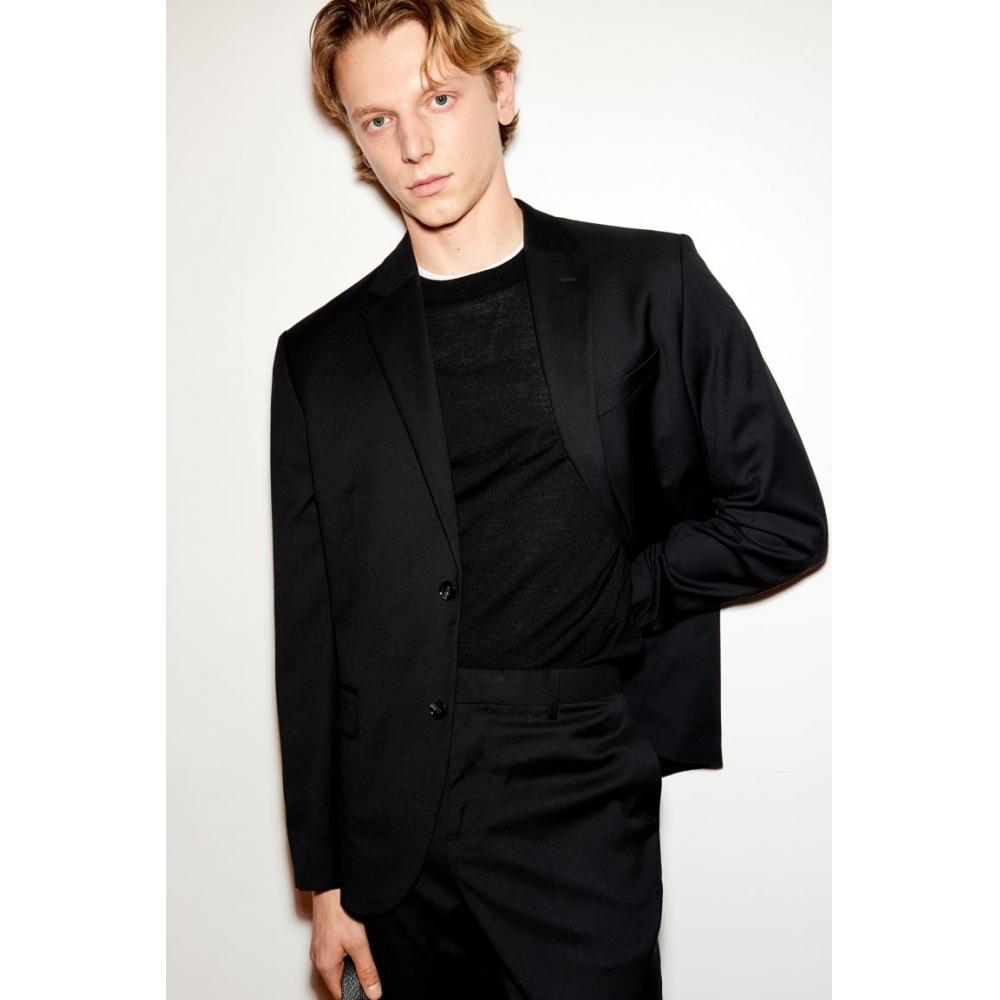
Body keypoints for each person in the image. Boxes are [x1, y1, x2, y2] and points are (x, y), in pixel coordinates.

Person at [269, 2, 828, 998]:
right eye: (377, 118)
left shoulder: (648, 284)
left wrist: (629, 592)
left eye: (439, 99)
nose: (413, 144)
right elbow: (312, 631)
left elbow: (781, 516)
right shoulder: (319, 358)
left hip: (577, 785)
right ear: (354, 136)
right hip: (395, 830)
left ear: (501, 91)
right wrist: (325, 879)